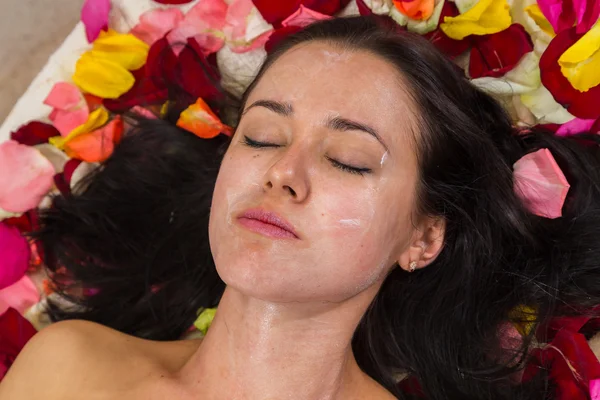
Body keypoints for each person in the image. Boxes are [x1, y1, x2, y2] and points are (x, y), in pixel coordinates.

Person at [1, 16, 599, 400]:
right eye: (261, 137)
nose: (282, 173)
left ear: (423, 238)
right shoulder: (68, 370)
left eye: (347, 159)